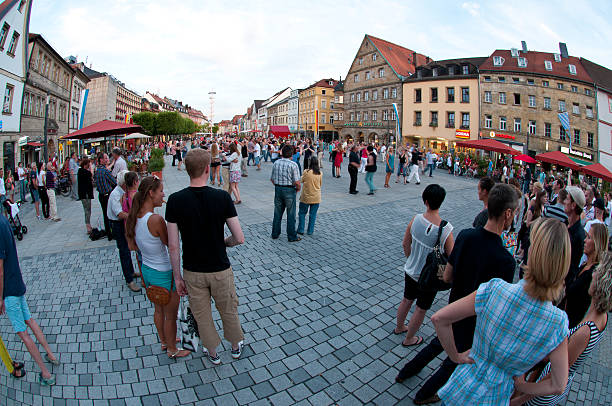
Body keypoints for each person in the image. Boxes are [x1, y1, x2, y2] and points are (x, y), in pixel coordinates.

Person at [395, 184, 517, 404]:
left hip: (454, 305)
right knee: (455, 359)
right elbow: (498, 303)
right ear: (508, 213)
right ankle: (424, 394)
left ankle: (406, 371)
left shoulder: (466, 236)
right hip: (474, 319)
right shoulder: (506, 261)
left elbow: (448, 276)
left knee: (438, 343)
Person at [433, 218, 571, 405]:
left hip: (462, 388)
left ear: (532, 252)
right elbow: (558, 385)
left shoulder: (495, 289)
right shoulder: (558, 323)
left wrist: (455, 355)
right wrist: (523, 387)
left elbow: (440, 318)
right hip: (497, 397)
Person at [166, 148, 245, 365]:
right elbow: (238, 237)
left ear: (189, 170)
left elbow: (173, 246)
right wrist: (223, 243)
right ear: (206, 169)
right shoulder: (221, 197)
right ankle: (236, 346)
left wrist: (177, 277)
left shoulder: (174, 200)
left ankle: (212, 352)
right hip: (220, 268)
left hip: (192, 270)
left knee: (202, 314)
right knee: (228, 308)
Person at [517, 252, 612, 406]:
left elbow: (555, 377)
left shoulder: (585, 331)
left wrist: (522, 396)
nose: (593, 276)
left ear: (601, 284)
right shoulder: (601, 318)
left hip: (542, 395)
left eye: (596, 274)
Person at [125, 176, 190, 359]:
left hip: (148, 269)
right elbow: (170, 245)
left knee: (158, 310)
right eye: (161, 191)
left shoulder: (134, 217)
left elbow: (133, 247)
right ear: (151, 193)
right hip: (163, 271)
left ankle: (164, 341)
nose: (163, 194)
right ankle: (172, 349)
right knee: (170, 315)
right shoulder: (155, 220)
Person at [0, 213, 59, 386]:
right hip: (16, 281)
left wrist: (0, 298)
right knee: (30, 320)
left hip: (9, 290)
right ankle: (51, 354)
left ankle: (46, 373)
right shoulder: (3, 219)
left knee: (23, 333)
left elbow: (0, 271)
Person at [395, 184, 454, 347]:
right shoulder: (446, 229)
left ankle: (399, 327)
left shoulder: (416, 219)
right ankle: (409, 339)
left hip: (411, 270)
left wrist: (412, 258)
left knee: (406, 300)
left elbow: (405, 244)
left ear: (425, 201)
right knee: (421, 309)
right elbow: (452, 255)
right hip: (430, 277)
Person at [559, 223, 608, 329]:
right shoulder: (585, 265)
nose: (585, 240)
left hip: (572, 325)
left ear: (597, 243)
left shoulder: (593, 274)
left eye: (589, 237)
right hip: (566, 319)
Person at [108, 170, 141, 293]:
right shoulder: (116, 194)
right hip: (117, 224)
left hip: (123, 223)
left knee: (127, 249)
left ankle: (131, 272)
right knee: (124, 251)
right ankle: (129, 280)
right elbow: (120, 214)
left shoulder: (124, 192)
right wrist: (135, 217)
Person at [270, 145, 301, 242]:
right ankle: (291, 236)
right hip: (289, 190)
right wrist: (298, 189)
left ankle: (275, 233)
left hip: (278, 189)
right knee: (291, 214)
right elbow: (297, 182)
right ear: (291, 154)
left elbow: (272, 179)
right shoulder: (293, 165)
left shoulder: (276, 163)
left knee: (277, 213)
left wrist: (279, 185)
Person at [565, 186, 586, 285]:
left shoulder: (579, 235)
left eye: (567, 199)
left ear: (573, 205)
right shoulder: (565, 224)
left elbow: (572, 266)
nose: (565, 201)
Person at [94, 153, 117, 240]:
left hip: (101, 195)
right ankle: (112, 233)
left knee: (105, 214)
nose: (108, 159)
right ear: (101, 160)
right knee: (111, 215)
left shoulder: (98, 170)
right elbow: (114, 182)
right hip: (107, 195)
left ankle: (108, 233)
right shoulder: (105, 171)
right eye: (106, 158)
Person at [297, 156, 322, 236]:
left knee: (302, 213)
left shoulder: (306, 172)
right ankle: (310, 230)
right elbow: (320, 184)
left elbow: (301, 180)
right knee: (313, 214)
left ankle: (301, 229)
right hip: (316, 196)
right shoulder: (320, 173)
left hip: (306, 196)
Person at [77, 159, 94, 235]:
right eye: (88, 164)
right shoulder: (84, 172)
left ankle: (88, 225)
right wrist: (91, 168)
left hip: (84, 193)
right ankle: (88, 226)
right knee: (87, 210)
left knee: (87, 210)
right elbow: (91, 174)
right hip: (85, 194)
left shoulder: (80, 171)